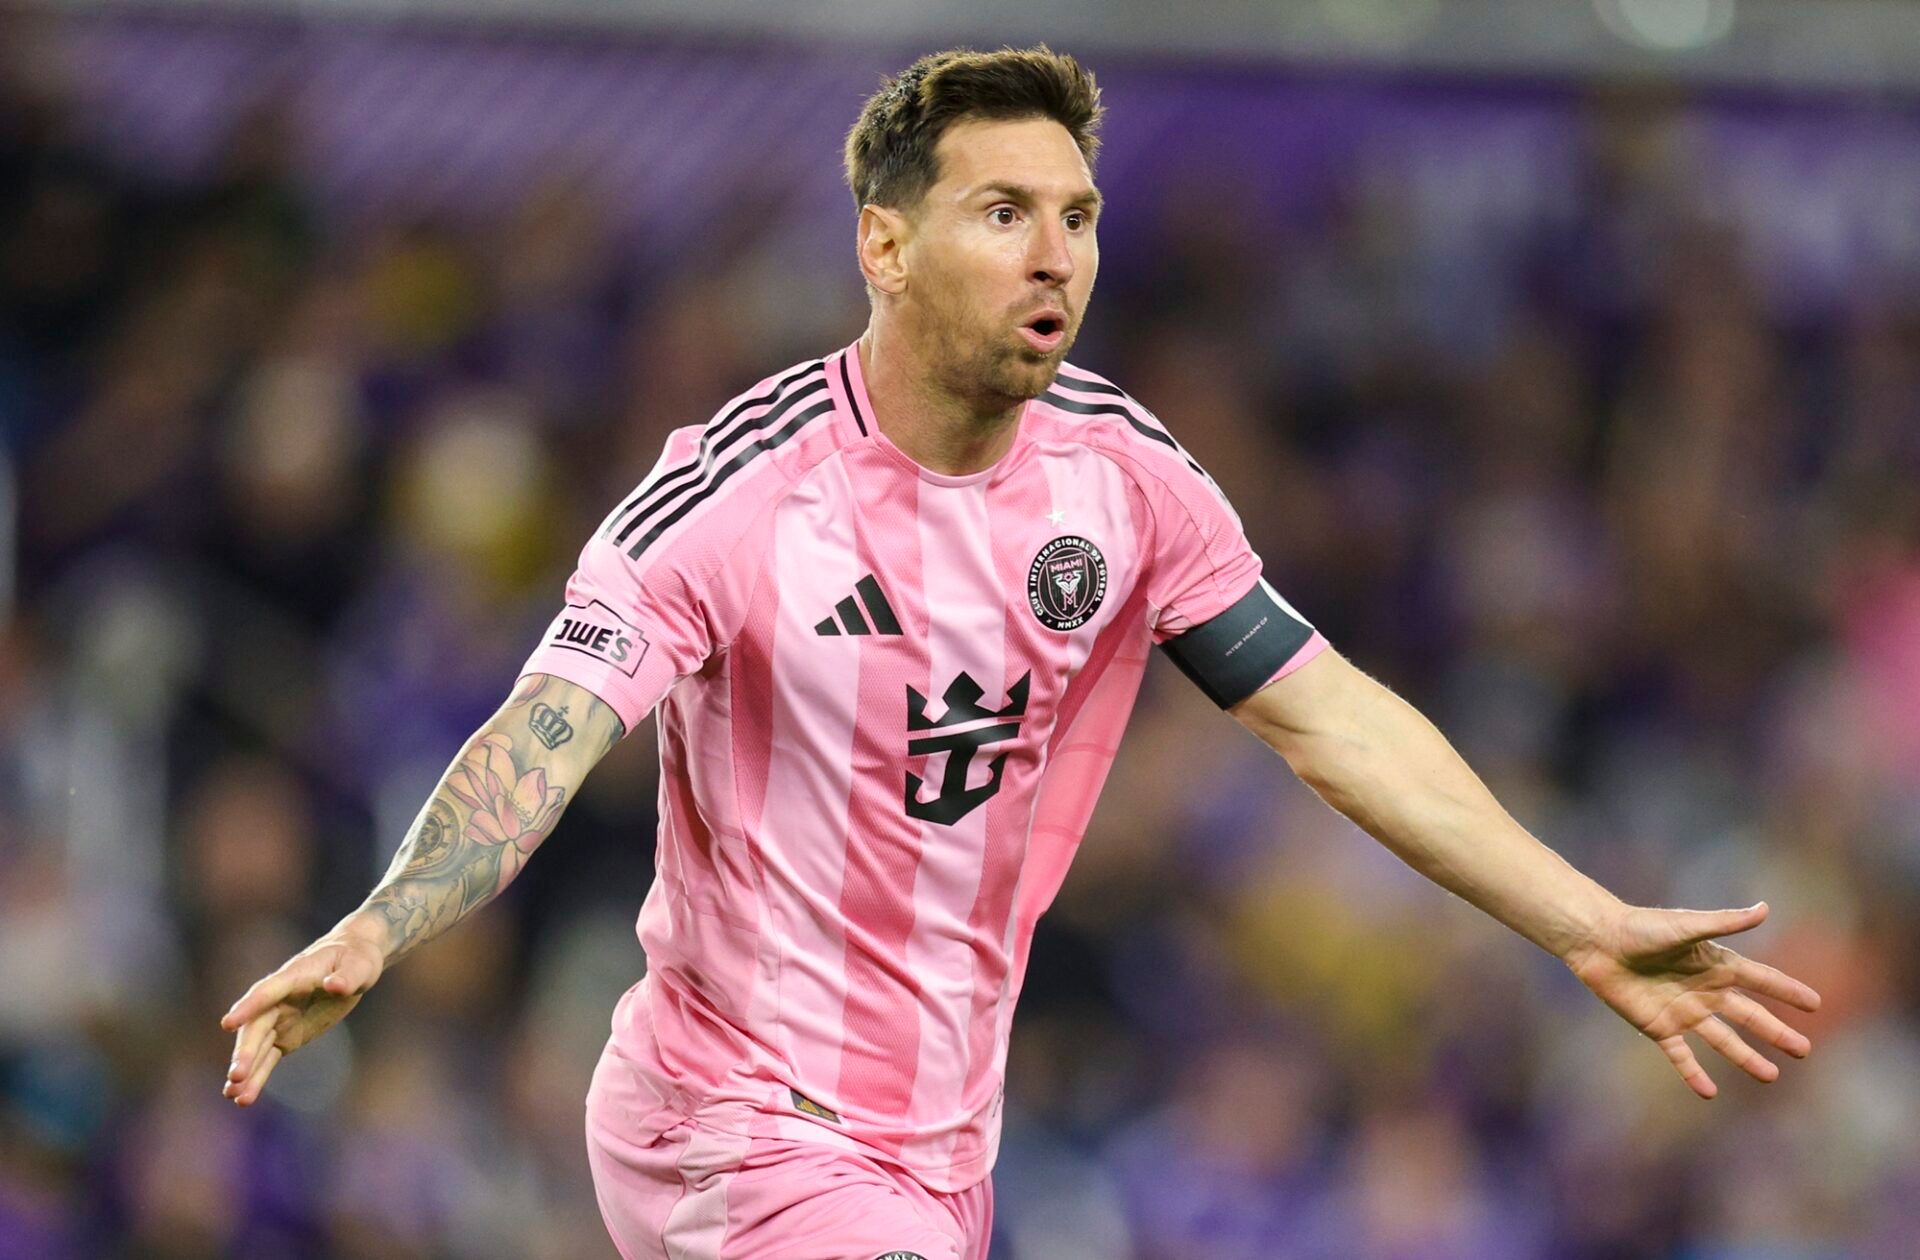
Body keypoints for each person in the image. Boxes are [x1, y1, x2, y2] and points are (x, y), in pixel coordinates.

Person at [221, 47, 1822, 1260]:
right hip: (734, 1120)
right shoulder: (739, 490)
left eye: (1078, 216)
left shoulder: (1125, 483)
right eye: (1004, 213)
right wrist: (381, 921)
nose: (1056, 251)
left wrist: (1584, 922)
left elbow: (1328, 716)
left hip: (938, 1153)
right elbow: (546, 733)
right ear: (885, 246)